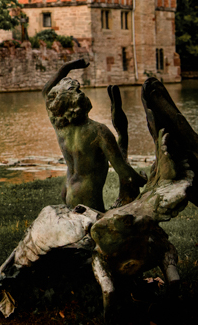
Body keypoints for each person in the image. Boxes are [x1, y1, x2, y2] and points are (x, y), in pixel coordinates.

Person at [42, 59, 146, 212]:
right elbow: (124, 172)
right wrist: (143, 179)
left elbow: (46, 91)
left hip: (68, 188)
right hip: (86, 194)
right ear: (75, 100)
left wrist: (68, 67)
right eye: (78, 91)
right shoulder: (98, 131)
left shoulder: (60, 125)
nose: (82, 93)